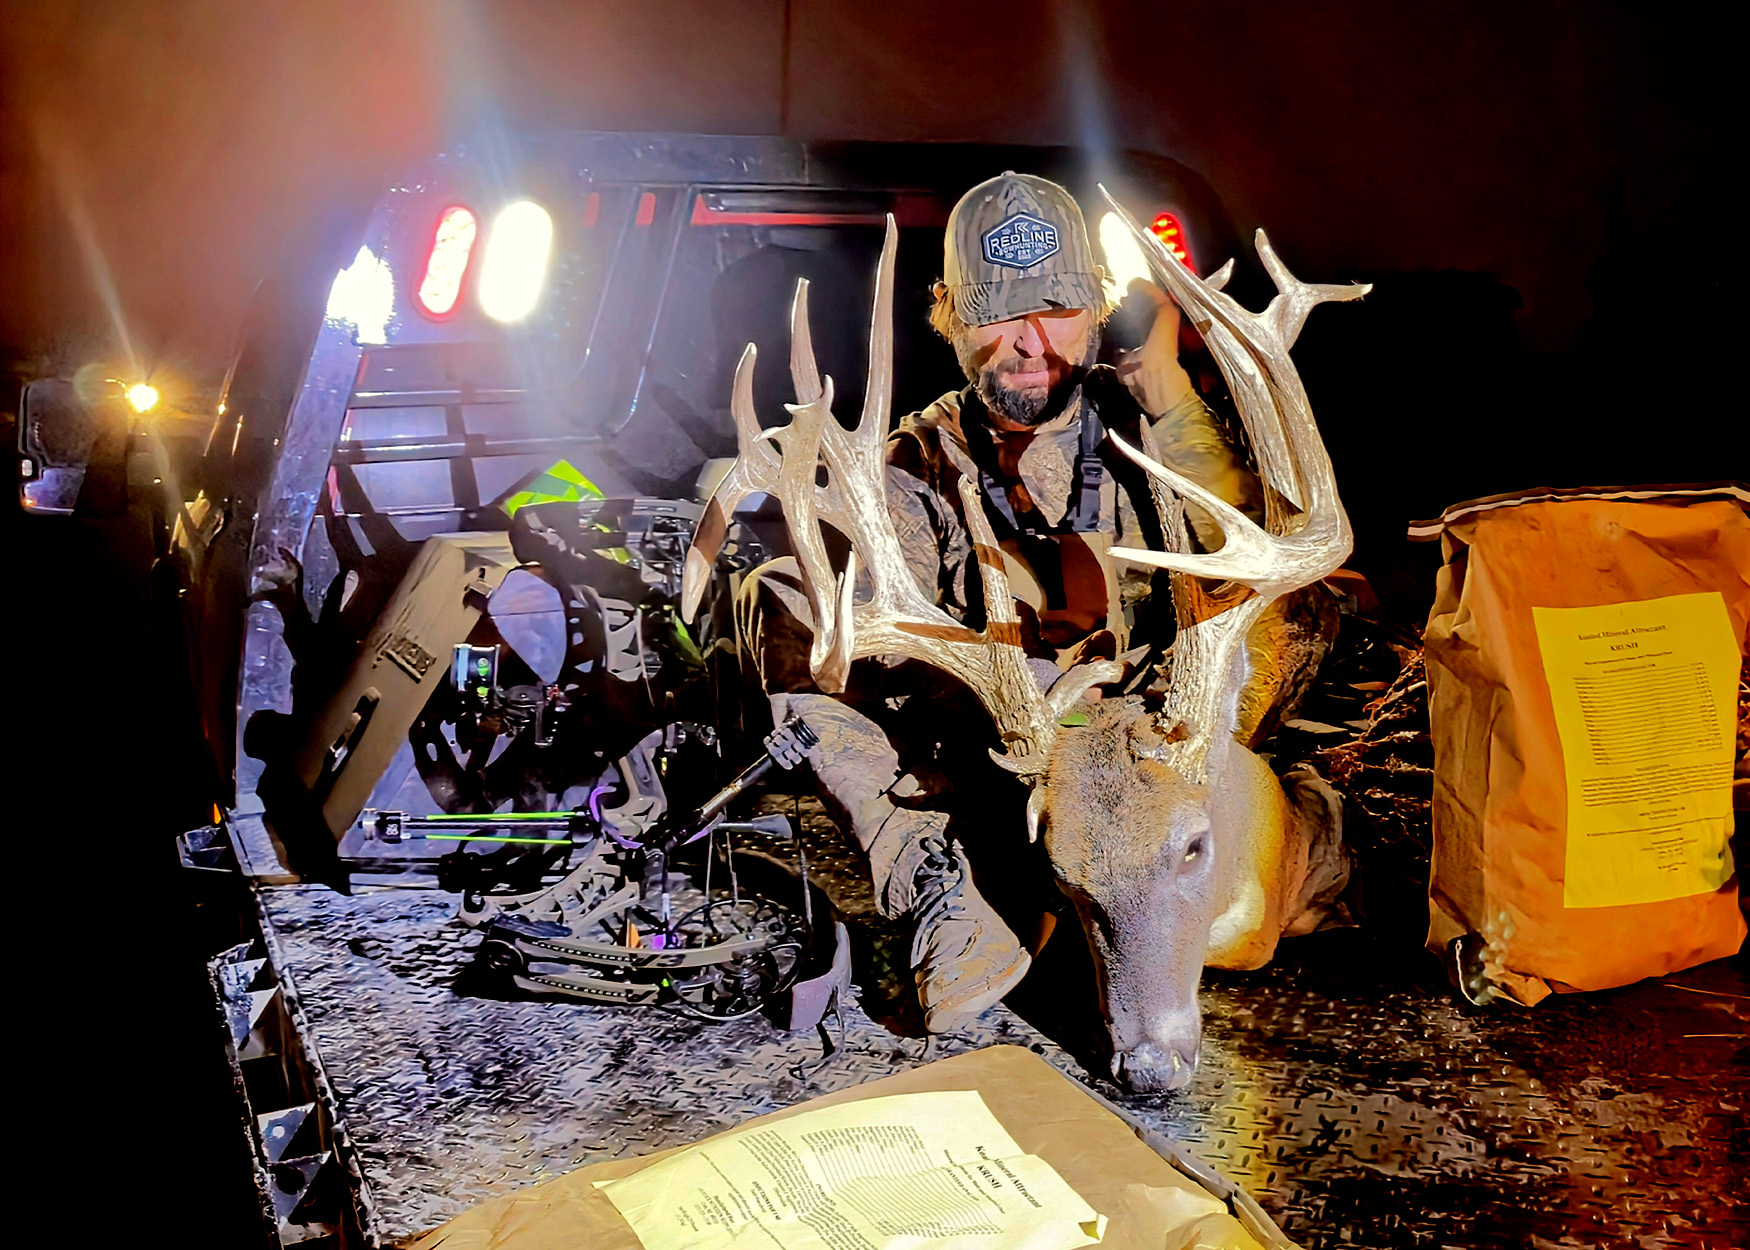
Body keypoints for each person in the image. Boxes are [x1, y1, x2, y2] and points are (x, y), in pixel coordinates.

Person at [738, 172, 1258, 1031]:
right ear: (949, 317)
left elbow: (1238, 552)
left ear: (1097, 312)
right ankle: (937, 884)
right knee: (789, 600)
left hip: (1158, 765)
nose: (1028, 343)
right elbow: (877, 654)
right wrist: (1021, 690)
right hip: (1007, 768)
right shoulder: (910, 470)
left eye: (1056, 309)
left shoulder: (1147, 436)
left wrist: (1162, 386)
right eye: (997, 312)